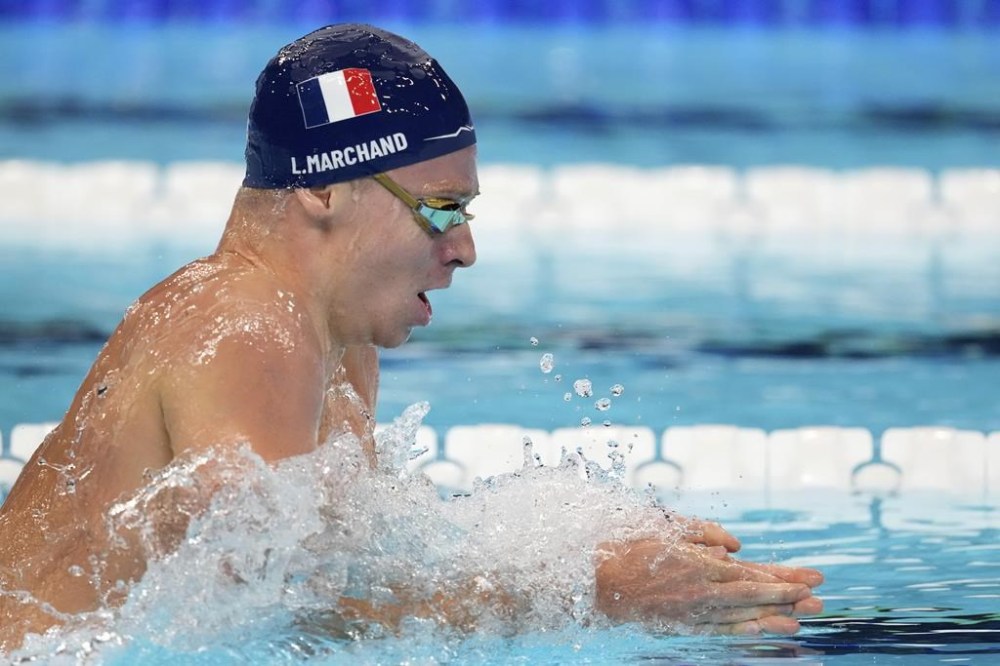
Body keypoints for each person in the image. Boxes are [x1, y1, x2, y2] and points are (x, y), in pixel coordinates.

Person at [0, 23, 822, 652]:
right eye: (441, 208)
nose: (463, 248)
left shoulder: (338, 337)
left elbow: (350, 571)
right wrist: (594, 595)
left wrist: (584, 547)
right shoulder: (247, 324)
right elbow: (274, 618)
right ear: (326, 189)